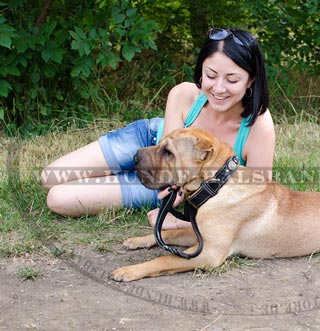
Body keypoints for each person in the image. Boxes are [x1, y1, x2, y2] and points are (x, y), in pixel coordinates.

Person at [41, 28, 275, 230]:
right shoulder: (183, 94)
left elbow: (256, 201)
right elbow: (161, 156)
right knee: (49, 177)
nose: (219, 88)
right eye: (210, 75)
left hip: (170, 182)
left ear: (251, 80)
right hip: (150, 143)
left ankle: (115, 178)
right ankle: (113, 172)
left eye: (232, 80)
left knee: (58, 199)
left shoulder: (258, 127)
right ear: (201, 70)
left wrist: (184, 221)